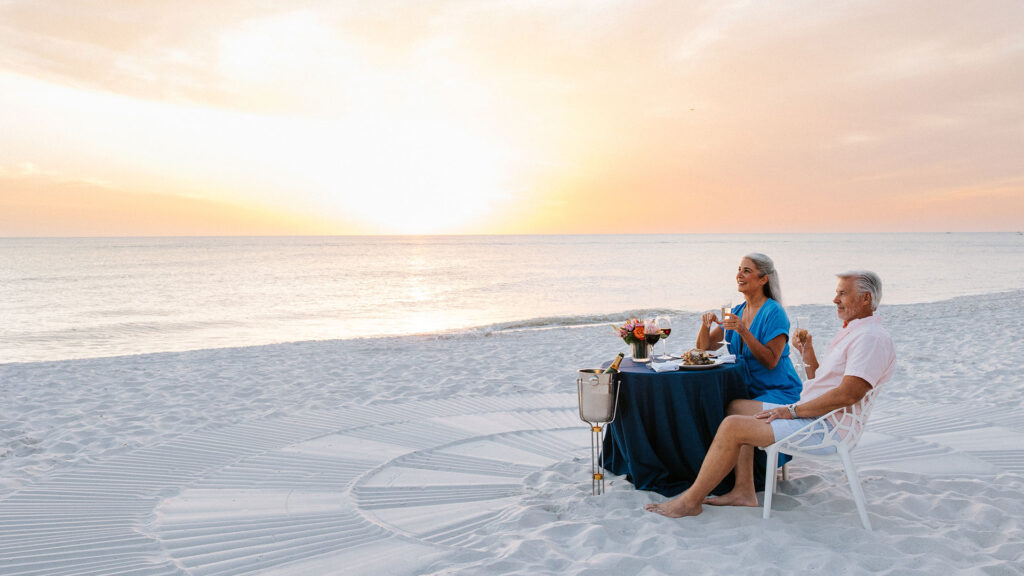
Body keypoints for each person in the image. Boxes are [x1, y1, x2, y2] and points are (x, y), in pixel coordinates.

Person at [646, 270, 896, 518]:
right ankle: (744, 491)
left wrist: (791, 411)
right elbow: (822, 383)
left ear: (865, 299)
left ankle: (691, 501)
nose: (835, 299)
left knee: (733, 426)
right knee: (737, 408)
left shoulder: (870, 338)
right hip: (820, 416)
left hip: (827, 427)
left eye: (843, 293)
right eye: (836, 293)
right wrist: (807, 352)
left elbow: (847, 395)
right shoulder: (855, 331)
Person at [697, 253, 802, 405]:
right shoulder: (737, 311)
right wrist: (705, 326)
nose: (739, 275)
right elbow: (704, 349)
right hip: (748, 390)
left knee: (731, 409)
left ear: (763, 279)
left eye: (746, 271)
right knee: (706, 401)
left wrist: (743, 331)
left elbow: (771, 361)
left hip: (778, 391)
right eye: (739, 269)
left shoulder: (774, 312)